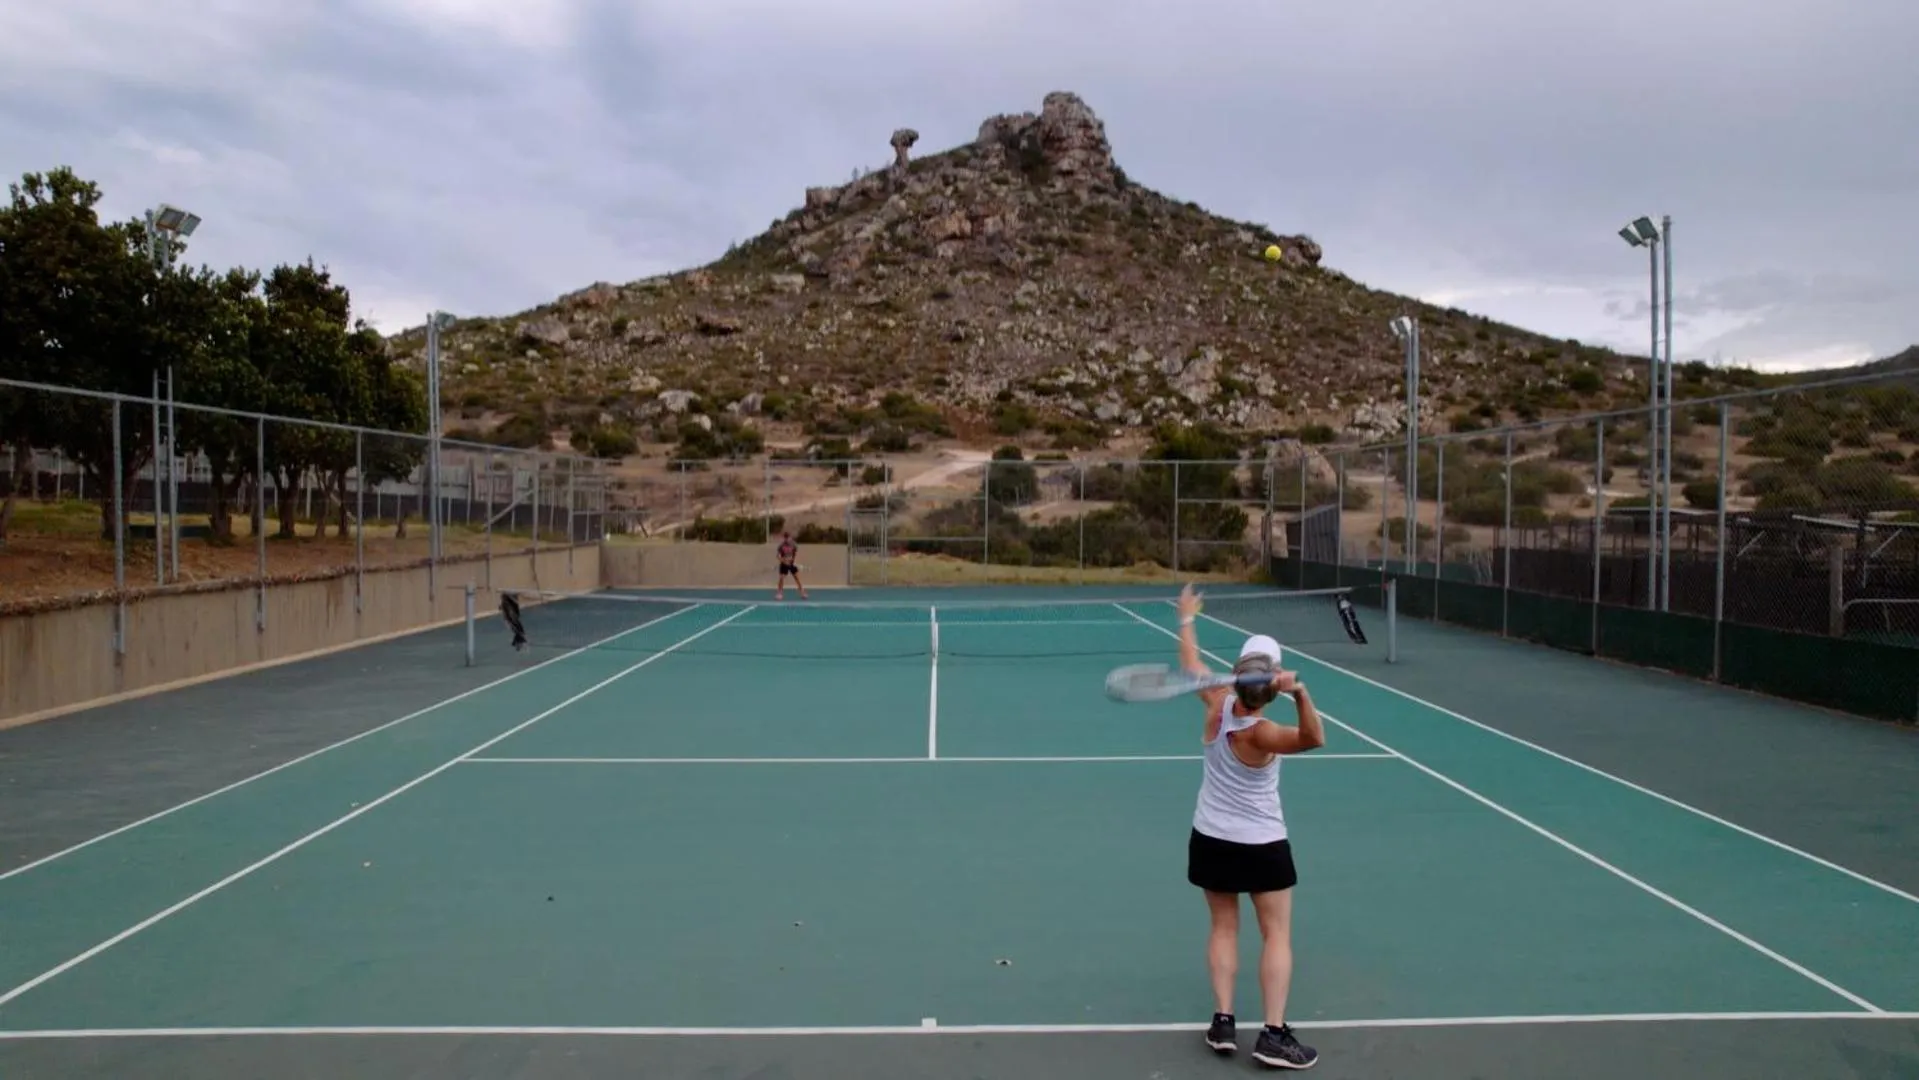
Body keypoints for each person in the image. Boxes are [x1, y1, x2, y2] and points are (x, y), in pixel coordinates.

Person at [1175, 584, 1324, 1069]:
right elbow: (1313, 738)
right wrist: (1300, 692)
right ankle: (1273, 1034)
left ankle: (1223, 1022)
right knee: (1276, 934)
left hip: (1210, 838)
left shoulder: (1217, 706)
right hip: (1261, 845)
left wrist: (1186, 619)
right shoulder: (1263, 733)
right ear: (1271, 681)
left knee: (1222, 926)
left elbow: (1192, 666)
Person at [774, 531, 807, 600]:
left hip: (791, 563)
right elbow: (777, 556)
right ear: (784, 538)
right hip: (784, 564)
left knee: (797, 578)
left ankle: (802, 593)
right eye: (785, 537)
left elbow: (795, 553)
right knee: (781, 578)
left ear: (790, 538)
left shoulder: (794, 545)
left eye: (788, 537)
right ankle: (779, 594)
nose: (787, 539)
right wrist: (783, 561)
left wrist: (793, 560)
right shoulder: (781, 546)